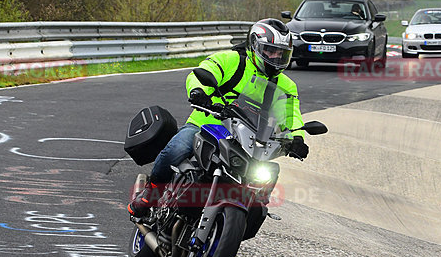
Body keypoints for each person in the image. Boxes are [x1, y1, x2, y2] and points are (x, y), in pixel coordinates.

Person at [128, 18, 309, 218]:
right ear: (255, 45)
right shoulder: (231, 60)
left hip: (248, 141)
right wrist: (199, 92)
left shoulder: (286, 85)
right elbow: (202, 73)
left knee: (265, 175)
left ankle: (247, 214)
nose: (275, 57)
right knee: (177, 148)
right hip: (207, 124)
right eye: (270, 51)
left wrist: (297, 138)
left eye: (280, 53)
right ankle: (151, 193)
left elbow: (291, 115)